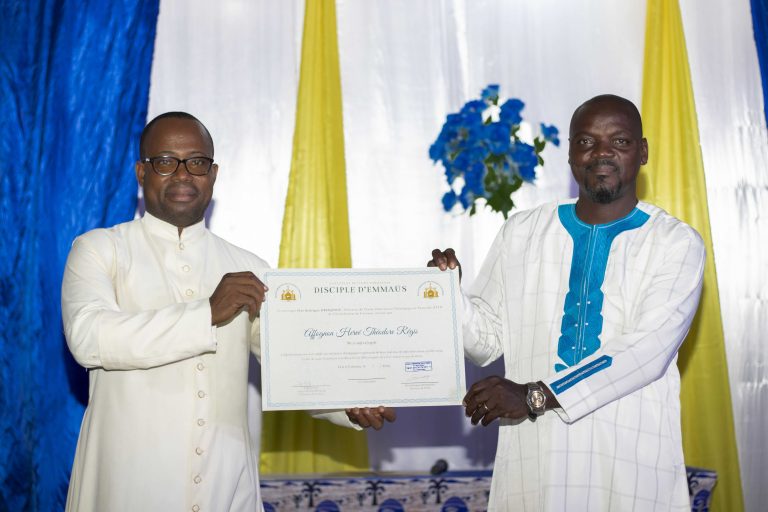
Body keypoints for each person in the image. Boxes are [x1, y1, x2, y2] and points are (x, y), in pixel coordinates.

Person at [62, 112, 395, 512]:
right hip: (128, 486)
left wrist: (353, 402)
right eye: (166, 161)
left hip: (227, 485)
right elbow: (89, 337)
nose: (183, 174)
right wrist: (206, 313)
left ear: (213, 174)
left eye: (197, 162)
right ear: (141, 172)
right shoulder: (100, 250)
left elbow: (295, 364)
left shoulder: (249, 268)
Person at [430, 95, 704, 511]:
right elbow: (485, 342)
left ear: (643, 152)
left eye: (620, 141)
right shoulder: (523, 232)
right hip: (535, 462)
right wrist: (448, 295)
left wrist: (535, 396)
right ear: (572, 154)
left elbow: (644, 352)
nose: (602, 153)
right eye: (587, 142)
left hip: (627, 464)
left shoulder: (675, 243)